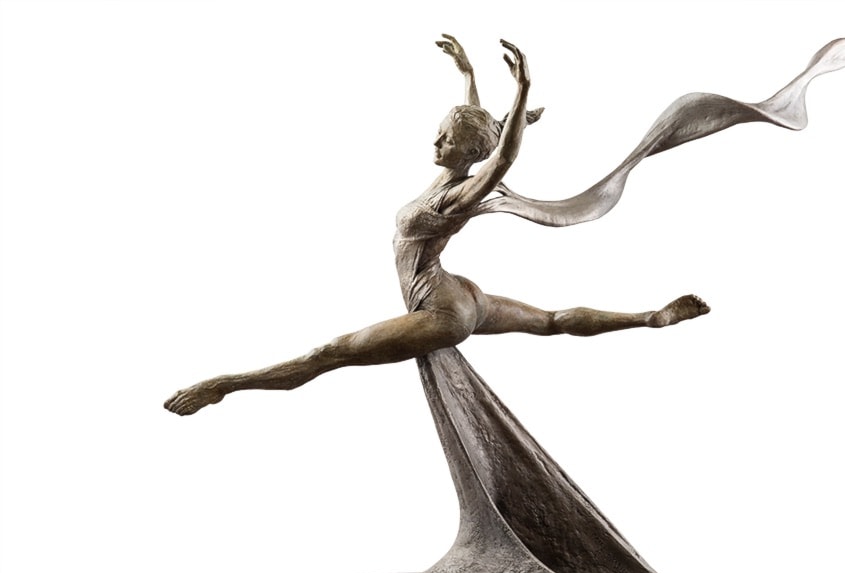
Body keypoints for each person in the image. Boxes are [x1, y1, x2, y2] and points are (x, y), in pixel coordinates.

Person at [164, 37, 709, 416]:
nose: (436, 141)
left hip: (442, 312)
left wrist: (522, 90)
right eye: (440, 133)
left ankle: (223, 385)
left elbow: (500, 157)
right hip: (461, 294)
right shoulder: (454, 173)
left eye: (445, 139)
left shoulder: (459, 196)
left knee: (328, 354)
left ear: (466, 151)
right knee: (547, 321)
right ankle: (649, 317)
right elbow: (481, 136)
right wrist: (468, 74)